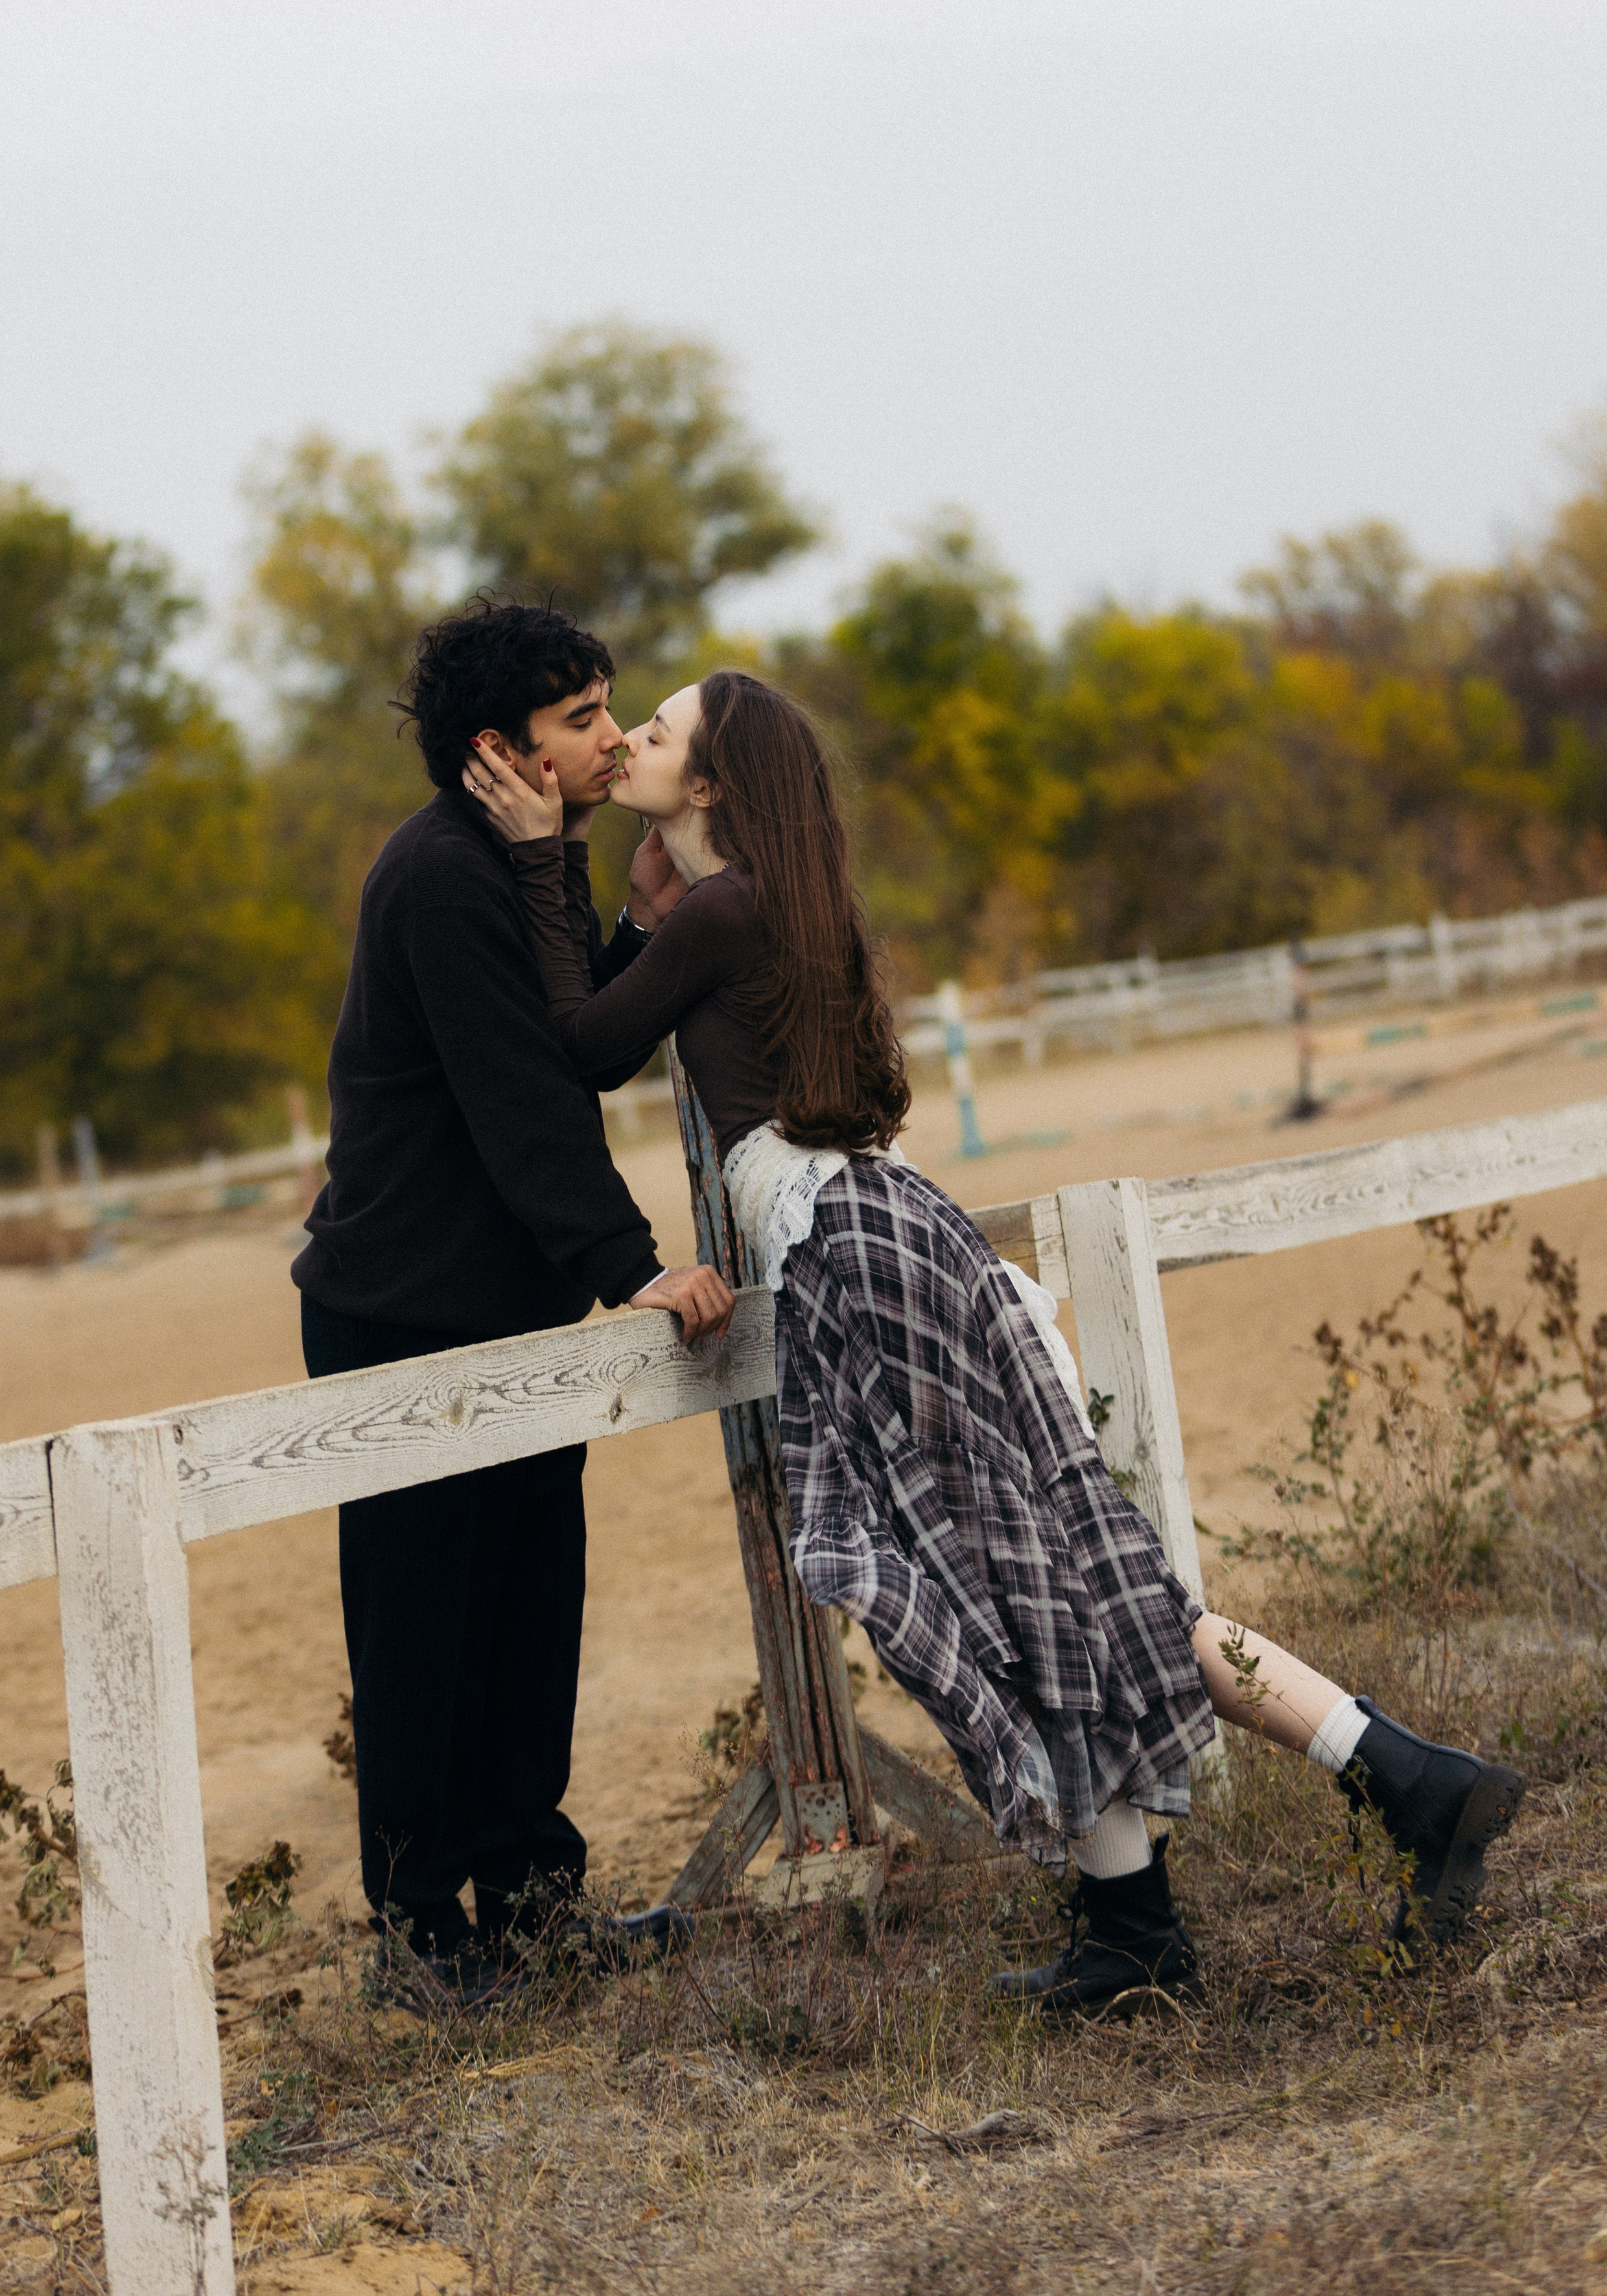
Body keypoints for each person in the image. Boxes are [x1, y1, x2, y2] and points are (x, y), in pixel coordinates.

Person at [463, 667, 1528, 2017]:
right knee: (1063, 1573)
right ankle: (1329, 1817)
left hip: (857, 1256)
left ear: (715, 780)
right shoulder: (762, 904)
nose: (629, 745)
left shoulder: (728, 909)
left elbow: (579, 1047)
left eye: (657, 733)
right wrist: (619, 895)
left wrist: (538, 856)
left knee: (1011, 1591)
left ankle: (1243, 1870)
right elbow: (638, 990)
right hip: (904, 1235)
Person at [294, 600, 733, 2007]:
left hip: (509, 1301)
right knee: (426, 1630)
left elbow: (580, 1026)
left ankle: (534, 1911)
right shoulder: (436, 877)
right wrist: (634, 1266)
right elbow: (522, 1104)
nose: (612, 738)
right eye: (581, 720)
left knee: (532, 1607)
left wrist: (632, 920)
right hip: (400, 1306)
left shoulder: (524, 854)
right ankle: (423, 1943)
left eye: (612, 710)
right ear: (501, 750)